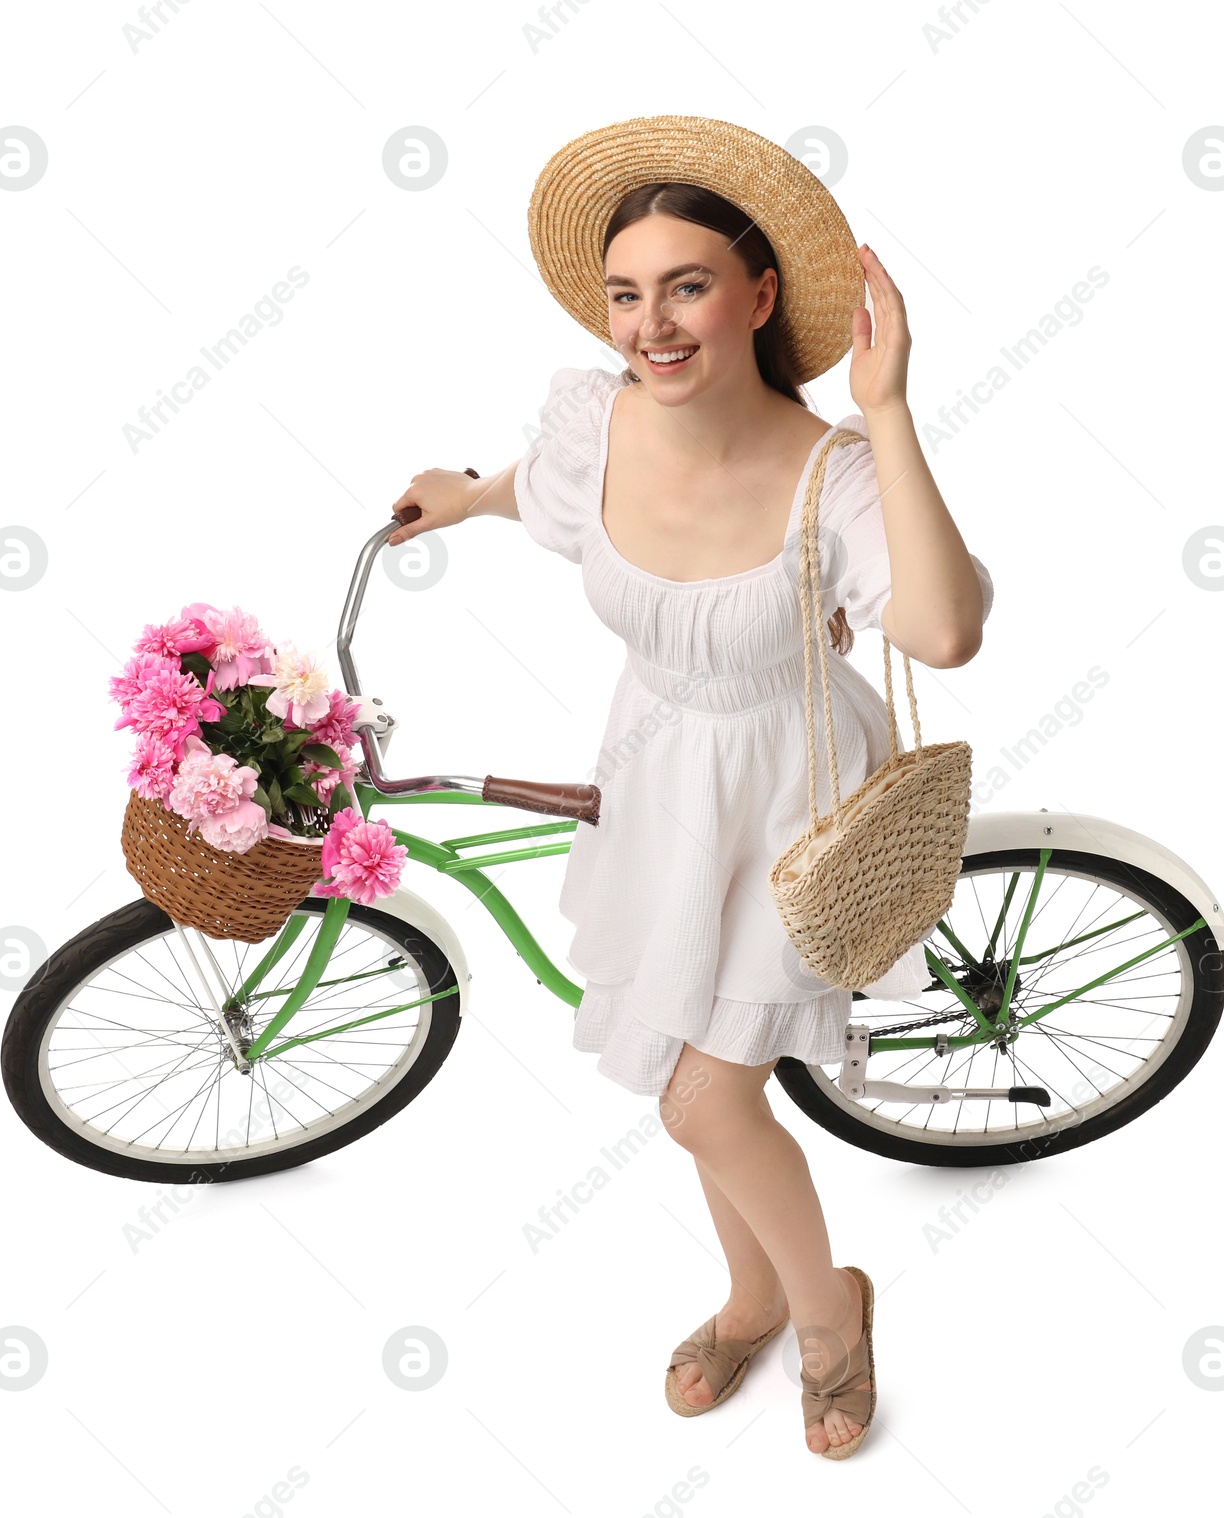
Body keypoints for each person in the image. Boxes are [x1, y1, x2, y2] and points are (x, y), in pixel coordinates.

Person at [384, 116, 993, 1460]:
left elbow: (944, 632)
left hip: (788, 792)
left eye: (687, 285)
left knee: (702, 1099)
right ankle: (755, 1292)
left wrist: (887, 416)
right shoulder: (594, 418)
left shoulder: (830, 474)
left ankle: (829, 1315)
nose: (650, 324)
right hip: (660, 772)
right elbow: (544, 496)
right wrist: (468, 496)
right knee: (689, 1069)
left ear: (760, 294)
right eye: (625, 293)